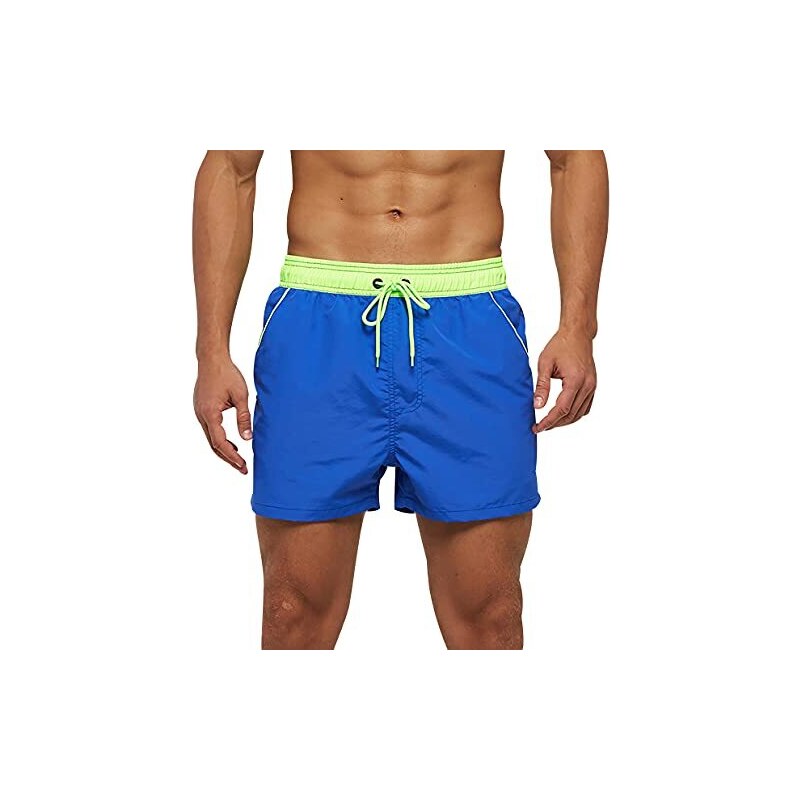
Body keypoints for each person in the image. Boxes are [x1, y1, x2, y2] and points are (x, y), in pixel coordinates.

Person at [192, 150, 608, 649]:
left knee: (491, 616)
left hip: (468, 316)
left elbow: (575, 155)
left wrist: (579, 327)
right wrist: (211, 351)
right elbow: (231, 165)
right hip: (318, 318)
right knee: (291, 612)